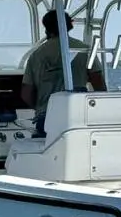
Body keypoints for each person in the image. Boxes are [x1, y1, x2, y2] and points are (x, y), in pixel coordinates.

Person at [21, 9, 106, 137]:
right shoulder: (84, 50)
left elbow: (26, 94)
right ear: (68, 26)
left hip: (48, 119)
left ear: (46, 28)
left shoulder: (36, 55)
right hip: (80, 118)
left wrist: (41, 108)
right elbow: (99, 85)